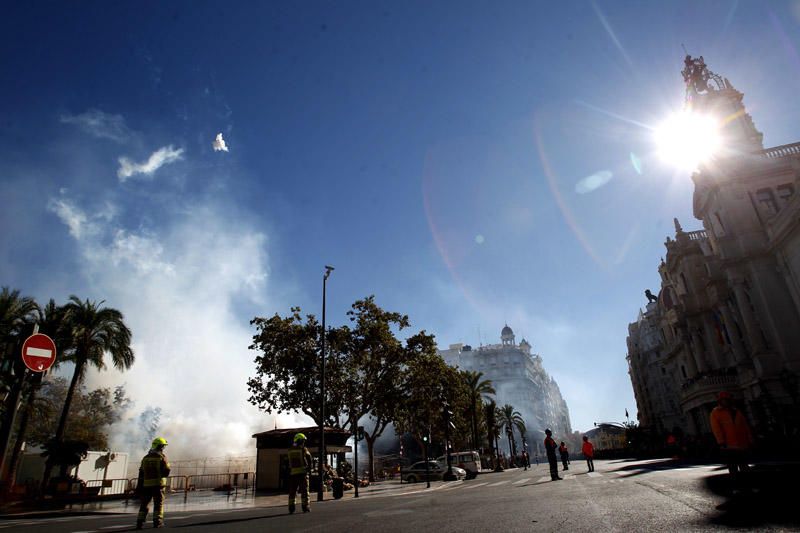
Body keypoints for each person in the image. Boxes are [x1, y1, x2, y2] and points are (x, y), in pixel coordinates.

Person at [710, 391, 753, 491]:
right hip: (728, 445)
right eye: (723, 400)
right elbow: (716, 428)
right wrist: (721, 442)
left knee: (744, 467)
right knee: (733, 468)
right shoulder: (716, 412)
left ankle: (748, 486)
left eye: (727, 399)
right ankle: (736, 487)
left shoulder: (736, 411)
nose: (725, 401)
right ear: (720, 401)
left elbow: (745, 426)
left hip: (742, 444)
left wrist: (750, 439)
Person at [136, 437, 171, 529]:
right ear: (160, 447)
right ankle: (157, 522)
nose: (163, 448)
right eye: (163, 446)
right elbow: (167, 469)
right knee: (158, 504)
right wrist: (162, 475)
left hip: (146, 485)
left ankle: (140, 522)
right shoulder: (161, 457)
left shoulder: (145, 458)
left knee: (144, 504)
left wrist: (139, 486)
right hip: (158, 485)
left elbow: (141, 471)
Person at [287, 432, 313, 514]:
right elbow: (310, 460)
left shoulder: (290, 450)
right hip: (302, 474)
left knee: (292, 492)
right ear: (300, 441)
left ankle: (291, 507)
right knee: (305, 491)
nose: (304, 442)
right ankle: (305, 507)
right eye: (303, 441)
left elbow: (288, 462)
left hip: (293, 474)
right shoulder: (304, 449)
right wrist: (309, 469)